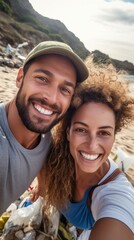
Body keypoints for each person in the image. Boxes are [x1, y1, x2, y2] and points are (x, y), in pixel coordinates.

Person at [39, 68, 134, 240]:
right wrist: (40, 191)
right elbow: (42, 186)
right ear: (68, 133)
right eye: (81, 130)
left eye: (103, 133)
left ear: (114, 137)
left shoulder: (116, 195)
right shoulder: (55, 156)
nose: (92, 145)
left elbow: (119, 218)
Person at [0, 40, 89, 215]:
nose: (51, 98)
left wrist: (41, 186)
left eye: (65, 89)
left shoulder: (45, 137)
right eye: (42, 79)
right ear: (20, 78)